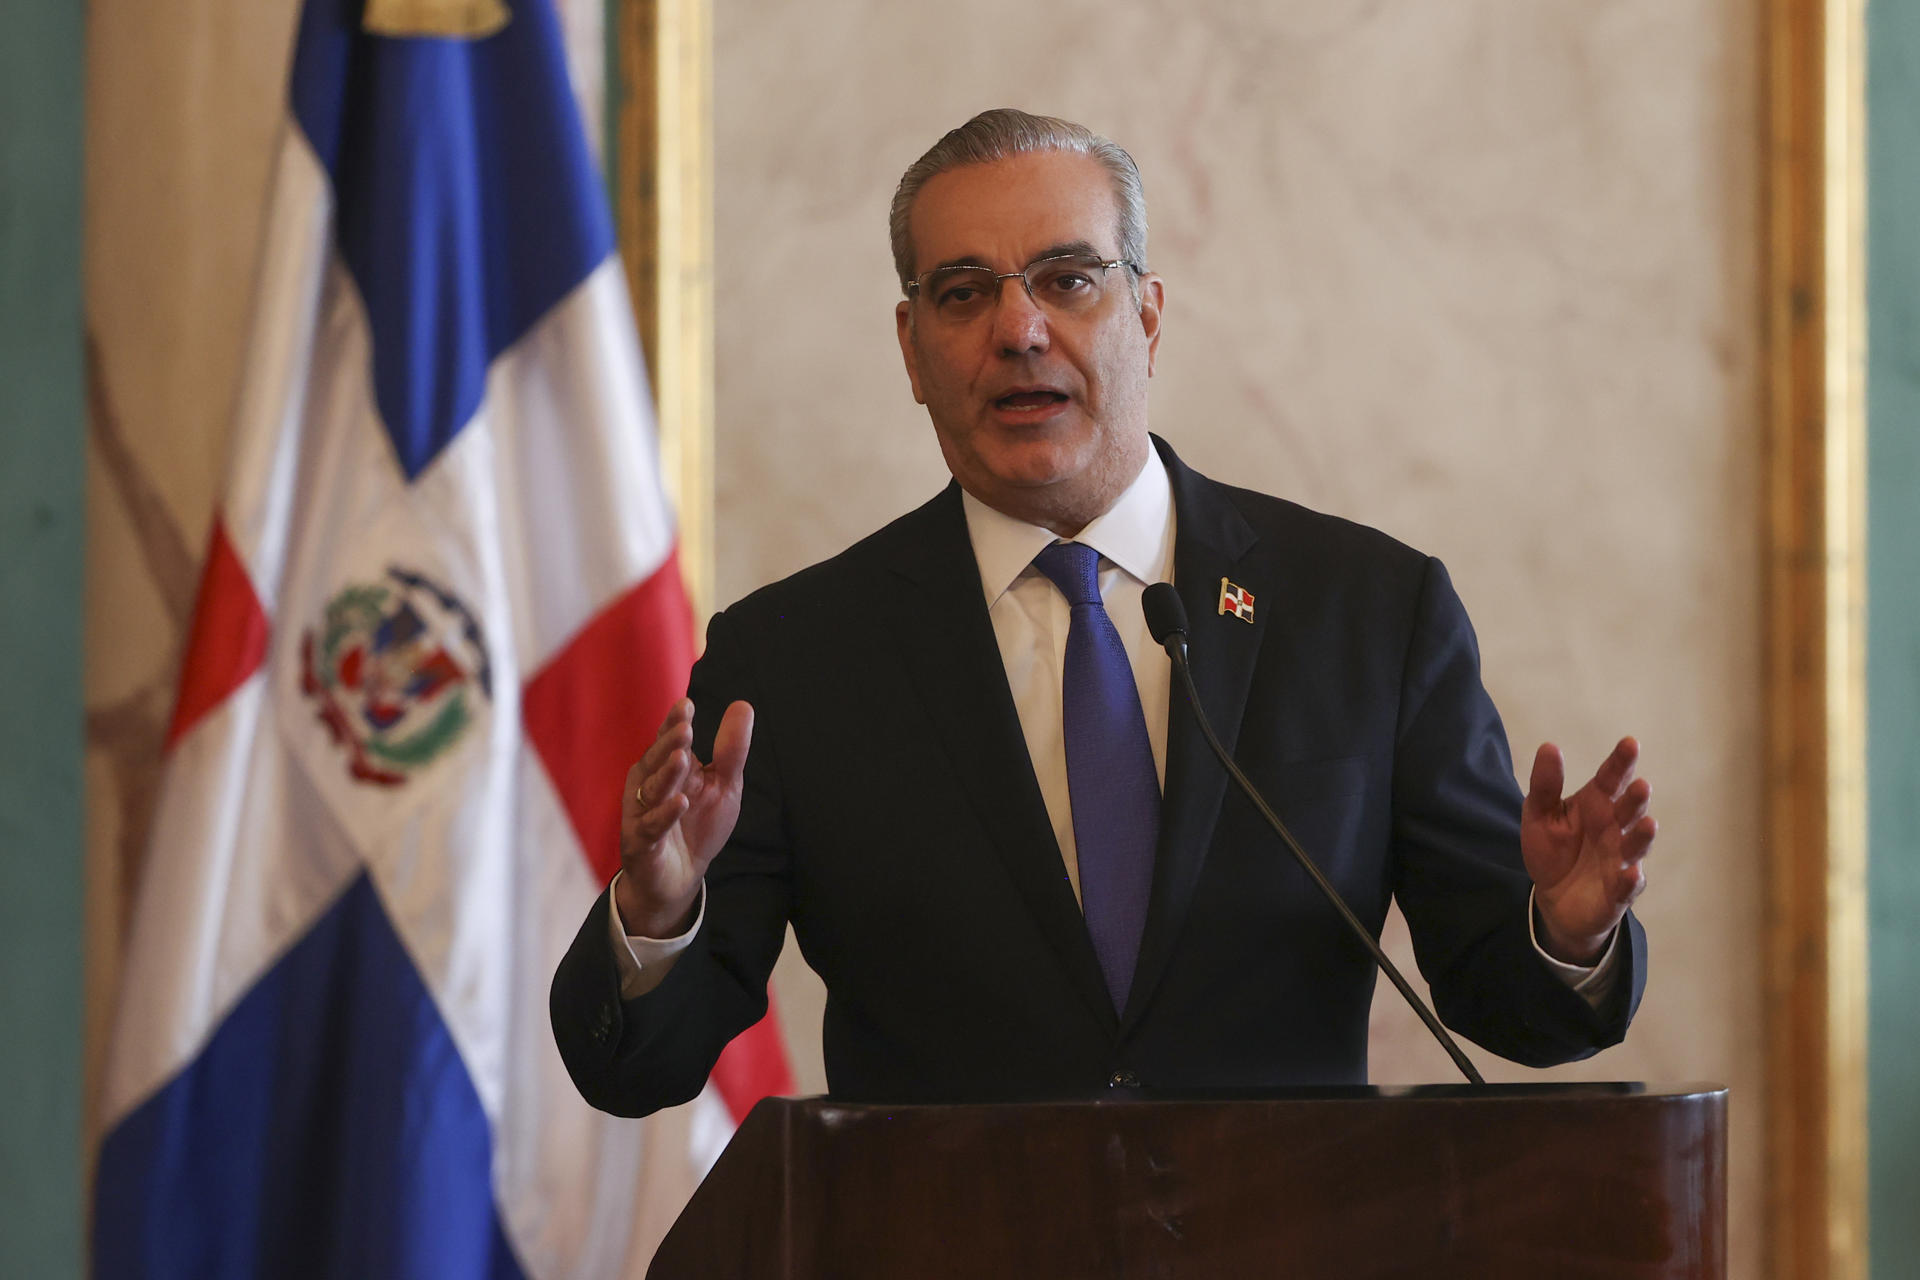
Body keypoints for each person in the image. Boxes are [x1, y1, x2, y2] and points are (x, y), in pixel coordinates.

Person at [550, 109, 1656, 1111]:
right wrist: (655, 916)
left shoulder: (1365, 611)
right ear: (912, 350)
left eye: (1069, 278)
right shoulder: (794, 658)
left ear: (1149, 313)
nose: (1020, 328)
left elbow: (1507, 1000)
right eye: (965, 291)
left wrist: (1564, 929)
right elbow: (638, 1063)